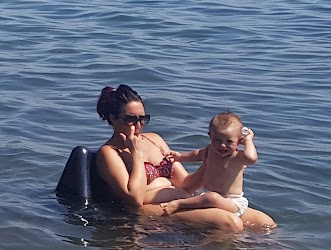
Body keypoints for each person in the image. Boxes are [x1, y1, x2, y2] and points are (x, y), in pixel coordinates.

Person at [93, 85, 275, 231]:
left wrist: (212, 161)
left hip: (180, 199)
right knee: (229, 223)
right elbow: (134, 199)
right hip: (148, 210)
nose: (139, 125)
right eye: (131, 119)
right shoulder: (109, 153)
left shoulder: (154, 140)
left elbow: (187, 185)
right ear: (113, 119)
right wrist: (136, 154)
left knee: (265, 222)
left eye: (143, 119)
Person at [159, 112, 259, 219]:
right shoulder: (209, 150)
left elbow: (251, 158)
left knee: (211, 198)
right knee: (208, 196)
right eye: (217, 140)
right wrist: (180, 157)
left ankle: (179, 204)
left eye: (229, 141)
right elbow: (196, 155)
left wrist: (248, 140)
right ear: (210, 136)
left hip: (231, 201)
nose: (222, 145)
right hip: (205, 193)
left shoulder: (237, 157)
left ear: (239, 141)